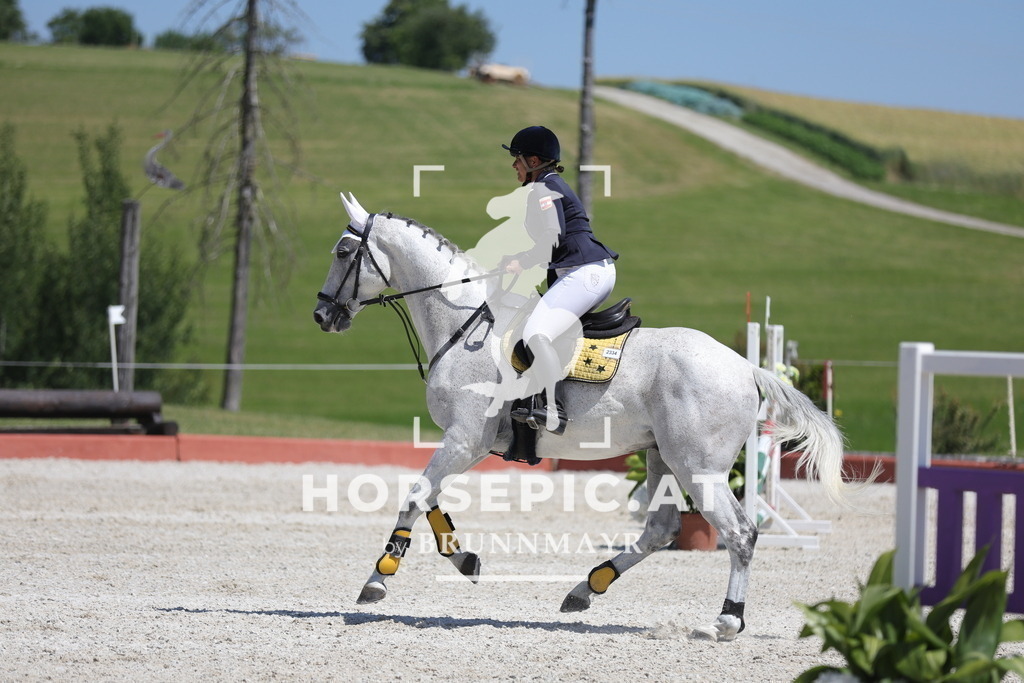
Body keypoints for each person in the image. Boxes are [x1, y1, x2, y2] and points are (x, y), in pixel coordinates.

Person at [499, 125, 618, 434]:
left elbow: (554, 238)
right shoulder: (548, 185)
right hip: (587, 270)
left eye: (518, 159)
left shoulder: (542, 189)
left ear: (534, 161)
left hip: (584, 272)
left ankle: (554, 411)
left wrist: (521, 262)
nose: (513, 165)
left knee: (536, 333)